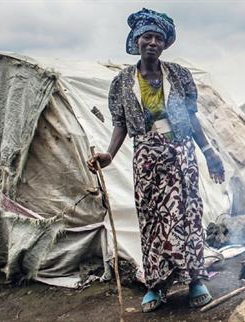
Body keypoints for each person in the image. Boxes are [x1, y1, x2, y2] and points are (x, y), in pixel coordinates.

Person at [86, 8, 225, 313]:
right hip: (146, 156)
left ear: (164, 44)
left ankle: (194, 281)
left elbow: (192, 118)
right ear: (135, 40)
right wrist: (108, 154)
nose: (152, 42)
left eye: (158, 38)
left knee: (186, 214)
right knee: (150, 219)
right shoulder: (122, 82)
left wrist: (210, 153)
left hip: (180, 151)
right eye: (146, 36)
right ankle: (157, 284)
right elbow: (121, 124)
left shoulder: (179, 75)